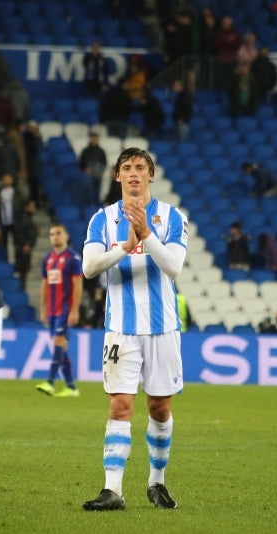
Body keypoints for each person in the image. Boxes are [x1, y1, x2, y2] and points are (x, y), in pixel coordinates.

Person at [81, 147, 187, 511]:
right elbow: (90, 267)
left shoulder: (172, 217)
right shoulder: (102, 219)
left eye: (140, 167)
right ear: (117, 176)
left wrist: (147, 235)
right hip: (121, 328)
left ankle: (157, 483)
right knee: (120, 405)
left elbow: (174, 266)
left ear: (151, 175)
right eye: (126, 168)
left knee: (159, 407)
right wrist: (126, 247)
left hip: (163, 327)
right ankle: (112, 490)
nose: (133, 174)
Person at [36, 223, 83, 397]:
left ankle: (50, 382)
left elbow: (78, 285)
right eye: (51, 234)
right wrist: (43, 308)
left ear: (66, 236)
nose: (54, 236)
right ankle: (71, 387)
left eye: (58, 233)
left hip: (65, 308)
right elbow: (44, 284)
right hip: (52, 311)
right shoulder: (47, 259)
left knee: (57, 343)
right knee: (60, 347)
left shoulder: (73, 258)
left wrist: (74, 310)